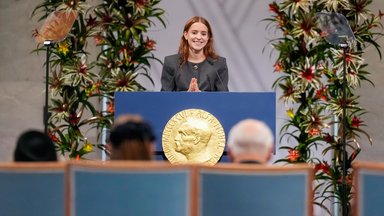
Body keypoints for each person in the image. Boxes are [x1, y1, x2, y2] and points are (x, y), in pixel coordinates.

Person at [161, 16, 229, 92]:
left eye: (203, 34)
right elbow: (165, 98)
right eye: (194, 33)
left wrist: (200, 96)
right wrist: (187, 95)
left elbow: (223, 98)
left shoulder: (219, 63)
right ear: (186, 35)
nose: (199, 37)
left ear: (208, 37)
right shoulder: (171, 62)